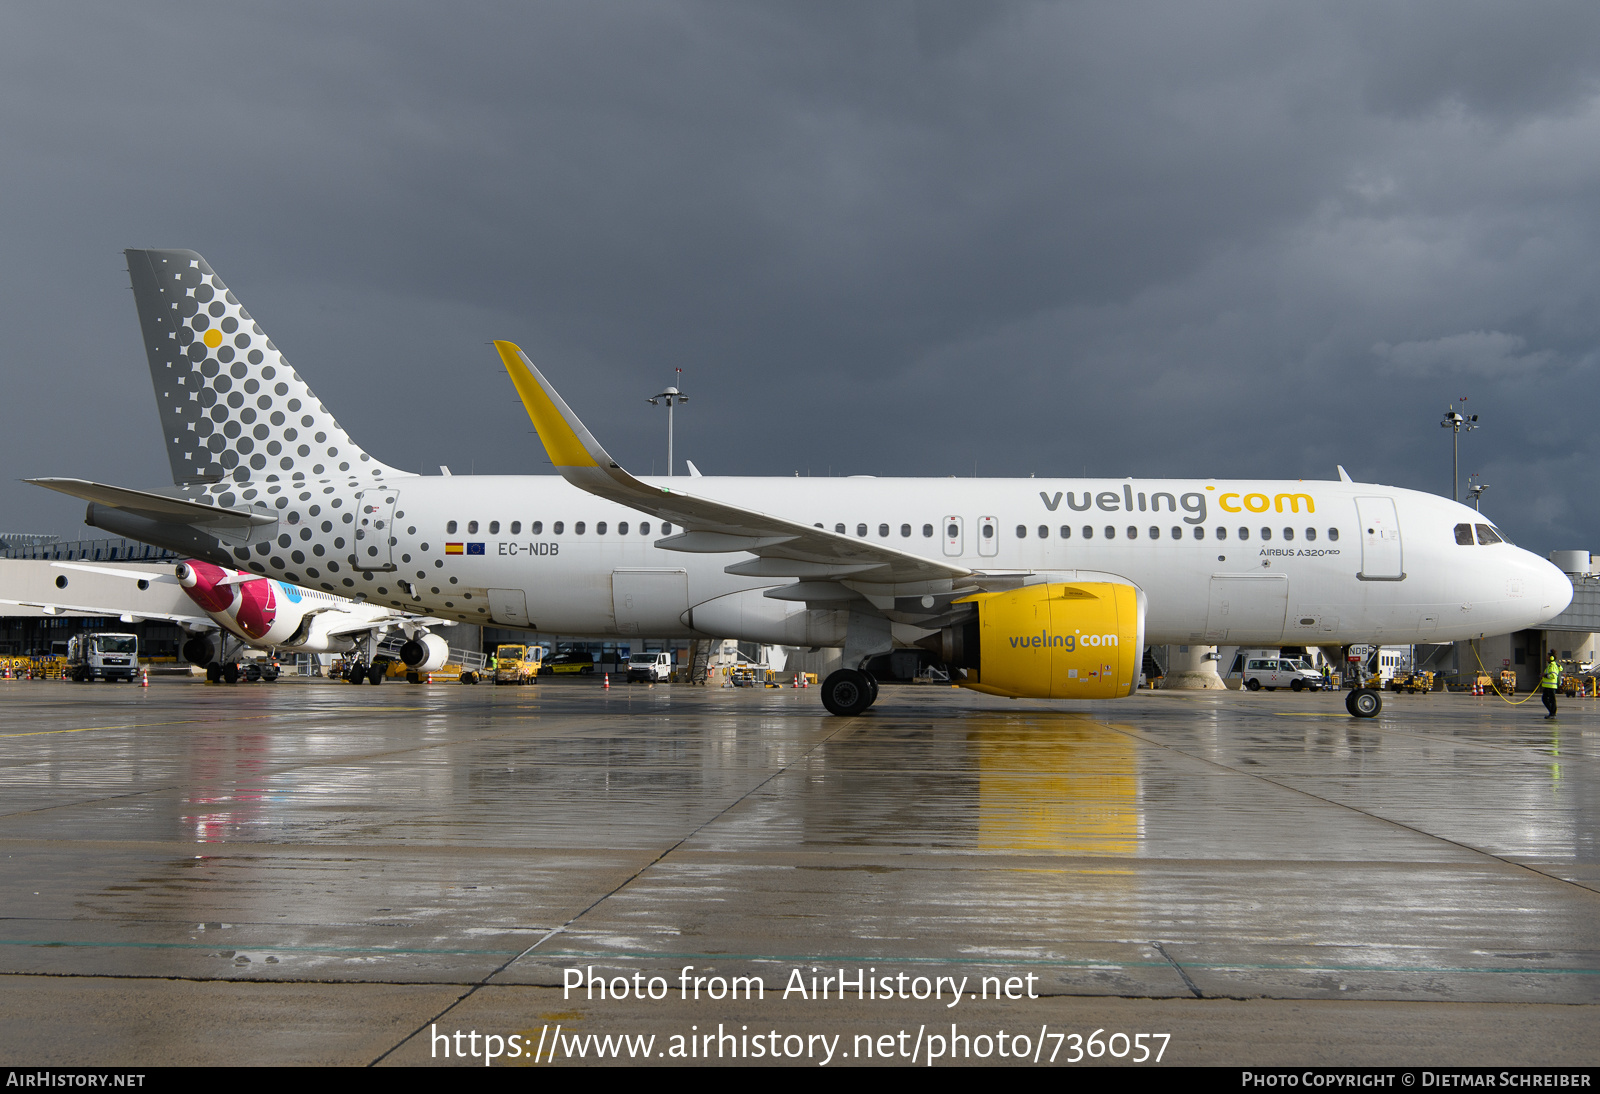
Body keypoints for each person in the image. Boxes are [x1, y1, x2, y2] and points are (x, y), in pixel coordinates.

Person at [1541, 652, 1561, 719]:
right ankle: (1552, 713)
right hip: (1548, 686)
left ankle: (1553, 713)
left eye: (1547, 657)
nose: (1546, 658)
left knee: (1551, 700)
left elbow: (1553, 676)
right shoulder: (1550, 665)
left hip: (1551, 686)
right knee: (1546, 699)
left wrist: (1545, 675)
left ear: (1551, 658)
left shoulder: (1552, 666)